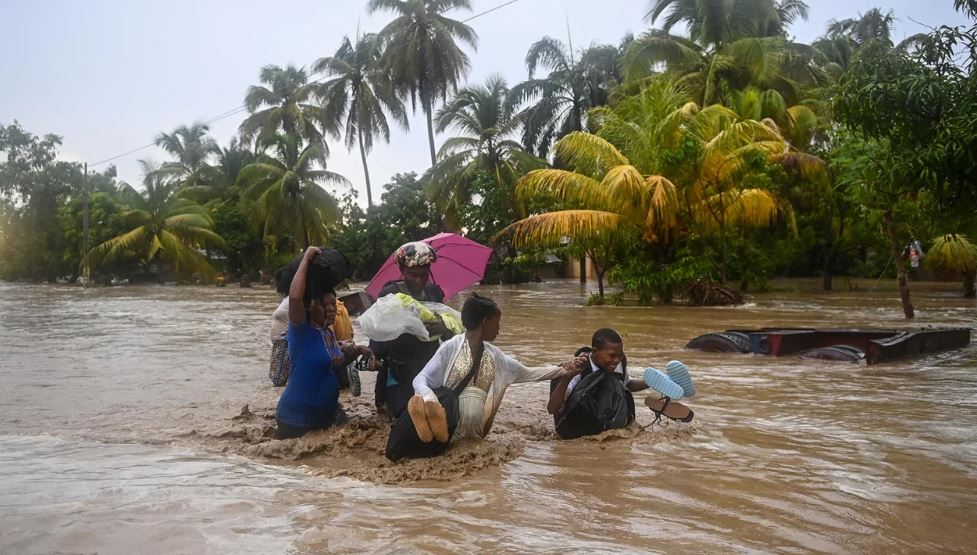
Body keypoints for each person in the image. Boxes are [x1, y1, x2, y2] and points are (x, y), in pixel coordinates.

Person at [407, 294, 586, 445]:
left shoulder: (496, 356)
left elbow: (529, 373)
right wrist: (430, 398)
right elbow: (420, 379)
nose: (499, 328)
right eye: (497, 322)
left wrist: (565, 369)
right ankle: (430, 418)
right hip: (449, 431)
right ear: (485, 322)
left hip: (475, 437)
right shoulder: (450, 348)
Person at [275, 247, 368, 439]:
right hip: (296, 420)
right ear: (311, 307)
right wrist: (307, 257)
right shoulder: (302, 331)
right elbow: (295, 297)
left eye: (334, 304)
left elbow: (333, 365)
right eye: (326, 305)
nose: (333, 309)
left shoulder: (327, 334)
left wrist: (358, 350)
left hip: (325, 418)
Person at [548, 328, 693, 438]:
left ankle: (667, 379)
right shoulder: (577, 368)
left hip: (605, 423)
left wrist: (650, 382)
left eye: (620, 355)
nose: (616, 360)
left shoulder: (617, 364)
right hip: (576, 428)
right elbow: (553, 409)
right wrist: (567, 378)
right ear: (595, 351)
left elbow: (627, 385)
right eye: (611, 355)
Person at [372, 241, 455, 418]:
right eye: (412, 275)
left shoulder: (434, 293)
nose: (418, 280)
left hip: (429, 368)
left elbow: (451, 333)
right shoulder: (390, 294)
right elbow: (377, 343)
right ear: (402, 270)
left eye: (424, 275)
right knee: (405, 418)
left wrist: (442, 326)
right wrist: (405, 327)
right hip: (399, 371)